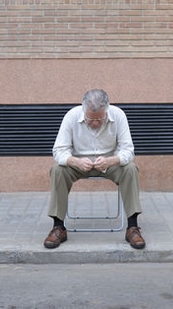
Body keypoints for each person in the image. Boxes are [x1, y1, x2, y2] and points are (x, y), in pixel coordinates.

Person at [44, 89, 146, 250]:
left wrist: (111, 160)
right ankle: (58, 227)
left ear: (107, 109)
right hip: (78, 164)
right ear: (83, 109)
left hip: (109, 163)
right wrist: (75, 161)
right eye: (90, 119)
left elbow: (128, 150)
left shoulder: (118, 115)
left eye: (100, 118)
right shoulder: (71, 116)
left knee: (131, 169)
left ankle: (132, 227)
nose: (95, 123)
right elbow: (58, 151)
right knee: (57, 170)